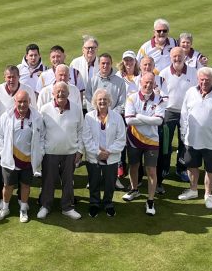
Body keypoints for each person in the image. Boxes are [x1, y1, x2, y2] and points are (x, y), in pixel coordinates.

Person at [178, 68, 212, 210]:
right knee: (192, 166)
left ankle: (208, 194)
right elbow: (184, 114)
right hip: (192, 138)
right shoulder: (190, 92)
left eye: (207, 80)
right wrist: (183, 133)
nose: (204, 82)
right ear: (198, 79)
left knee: (211, 168)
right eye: (201, 79)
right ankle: (193, 190)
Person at [0, 88, 44, 222]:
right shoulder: (6, 116)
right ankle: (5, 208)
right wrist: (1, 152)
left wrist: (40, 153)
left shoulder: (37, 117)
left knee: (25, 185)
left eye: (25, 101)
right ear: (15, 102)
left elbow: (42, 137)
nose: (22, 104)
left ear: (29, 101)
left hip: (28, 160)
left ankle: (23, 208)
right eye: (20, 101)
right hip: (10, 159)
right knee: (8, 185)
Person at [37, 82, 84, 220]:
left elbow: (81, 130)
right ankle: (45, 206)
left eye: (63, 91)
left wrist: (80, 151)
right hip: (50, 152)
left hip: (70, 153)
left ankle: (67, 207)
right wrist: (42, 151)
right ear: (52, 94)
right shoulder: (45, 109)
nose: (60, 94)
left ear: (68, 93)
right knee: (48, 181)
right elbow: (40, 133)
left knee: (68, 181)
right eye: (57, 91)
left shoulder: (76, 109)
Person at [123, 71, 166, 214]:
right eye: (146, 82)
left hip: (152, 141)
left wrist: (139, 116)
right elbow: (129, 120)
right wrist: (149, 119)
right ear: (140, 82)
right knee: (134, 165)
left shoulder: (159, 99)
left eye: (151, 82)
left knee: (151, 170)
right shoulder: (132, 98)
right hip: (134, 138)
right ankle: (134, 189)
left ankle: (150, 200)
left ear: (155, 84)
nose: (148, 85)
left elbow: (159, 121)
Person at [83, 89, 126, 217]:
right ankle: (94, 203)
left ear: (109, 101)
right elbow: (86, 138)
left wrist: (108, 151)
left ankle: (108, 203)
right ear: (95, 102)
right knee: (94, 181)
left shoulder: (117, 117)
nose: (102, 101)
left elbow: (121, 139)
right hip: (93, 156)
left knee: (110, 183)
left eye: (105, 99)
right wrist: (98, 152)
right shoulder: (88, 117)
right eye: (100, 99)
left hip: (111, 157)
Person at [157, 47, 193, 187]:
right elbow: (159, 95)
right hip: (169, 111)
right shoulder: (164, 73)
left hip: (187, 112)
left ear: (185, 57)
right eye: (174, 56)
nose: (177, 59)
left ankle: (181, 168)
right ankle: (164, 168)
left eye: (180, 56)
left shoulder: (193, 72)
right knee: (166, 142)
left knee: (184, 142)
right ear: (170, 57)